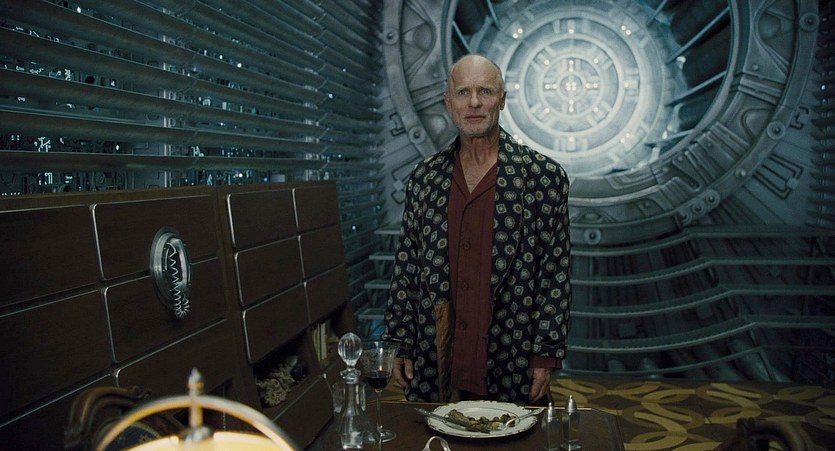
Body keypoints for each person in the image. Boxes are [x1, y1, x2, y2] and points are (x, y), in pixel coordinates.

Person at [383, 54, 571, 405]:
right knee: (432, 431)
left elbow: (554, 275)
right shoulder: (425, 178)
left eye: (485, 91)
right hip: (437, 356)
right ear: (448, 102)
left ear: (502, 99)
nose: (474, 103)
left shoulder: (543, 177)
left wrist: (545, 354)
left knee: (513, 432)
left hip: (510, 355)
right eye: (463, 92)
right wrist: (400, 340)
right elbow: (407, 267)